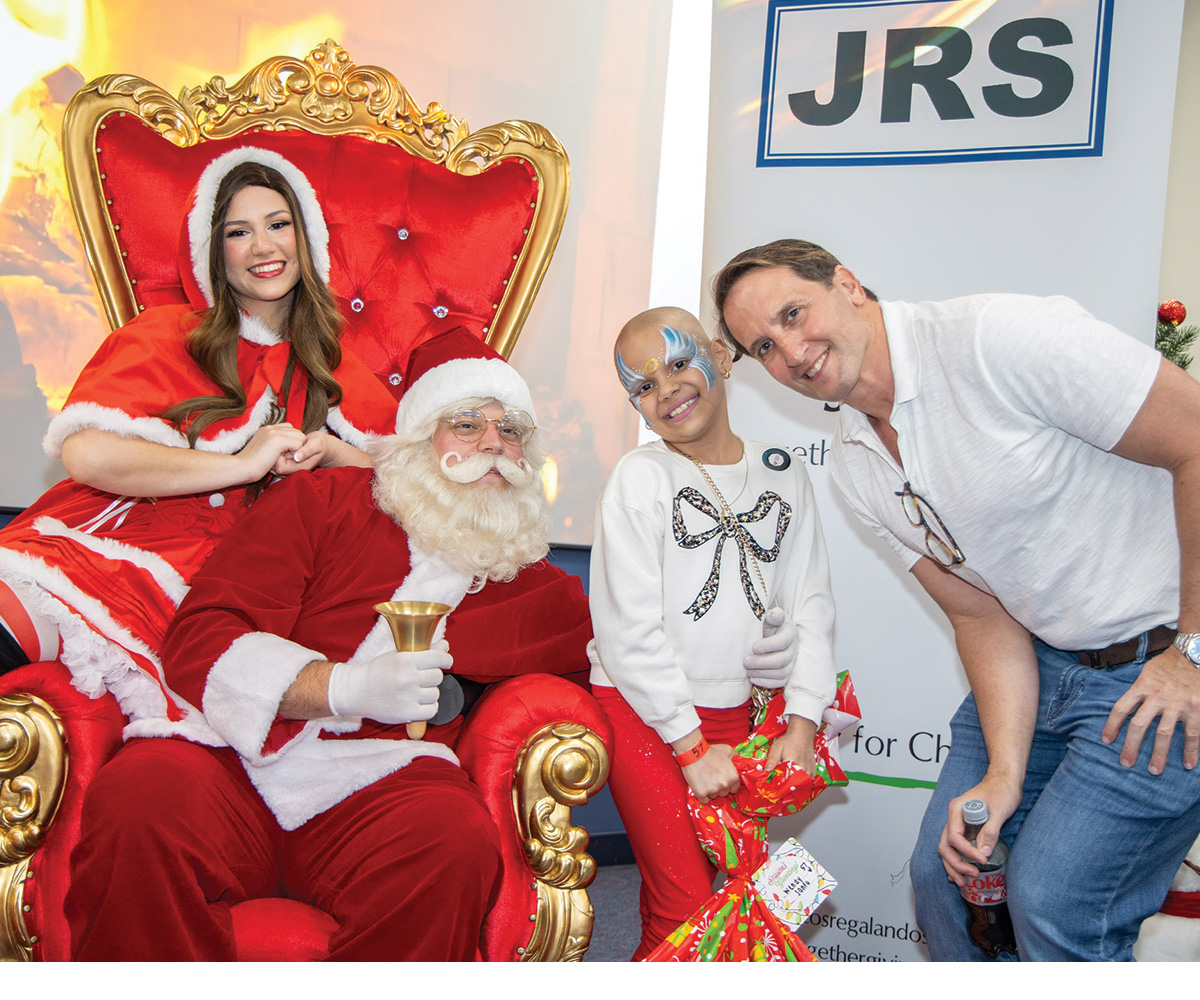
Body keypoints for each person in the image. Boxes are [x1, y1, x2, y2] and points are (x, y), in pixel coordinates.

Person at [713, 238, 1200, 961]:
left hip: (1161, 662)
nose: (792, 350)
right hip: (1043, 663)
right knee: (944, 878)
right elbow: (979, 611)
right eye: (765, 344)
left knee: (1054, 902)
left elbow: (1196, 439)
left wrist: (1192, 651)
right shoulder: (854, 459)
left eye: (793, 312)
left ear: (847, 283)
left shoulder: (997, 339)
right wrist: (1003, 773)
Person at [63, 329, 593, 961]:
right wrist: (343, 687)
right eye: (468, 422)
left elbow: (620, 652)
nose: (494, 446)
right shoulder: (320, 502)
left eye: (512, 432)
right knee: (138, 802)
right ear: (420, 441)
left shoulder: (531, 583)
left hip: (382, 782)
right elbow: (204, 635)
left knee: (452, 842)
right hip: (233, 755)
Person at [0, 148, 398, 734]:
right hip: (101, 551)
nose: (264, 247)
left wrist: (342, 456)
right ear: (215, 252)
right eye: (240, 232)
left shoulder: (339, 372)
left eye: (278, 225)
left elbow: (415, 491)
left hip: (217, 597)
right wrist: (242, 463)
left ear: (305, 237)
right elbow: (86, 454)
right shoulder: (167, 334)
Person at [587, 306, 837, 960]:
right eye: (641, 385)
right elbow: (626, 631)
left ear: (721, 356)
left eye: (677, 362)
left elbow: (809, 600)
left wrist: (803, 723)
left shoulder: (784, 469)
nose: (665, 389)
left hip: (741, 715)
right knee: (687, 906)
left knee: (737, 894)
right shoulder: (641, 478)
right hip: (647, 713)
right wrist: (691, 748)